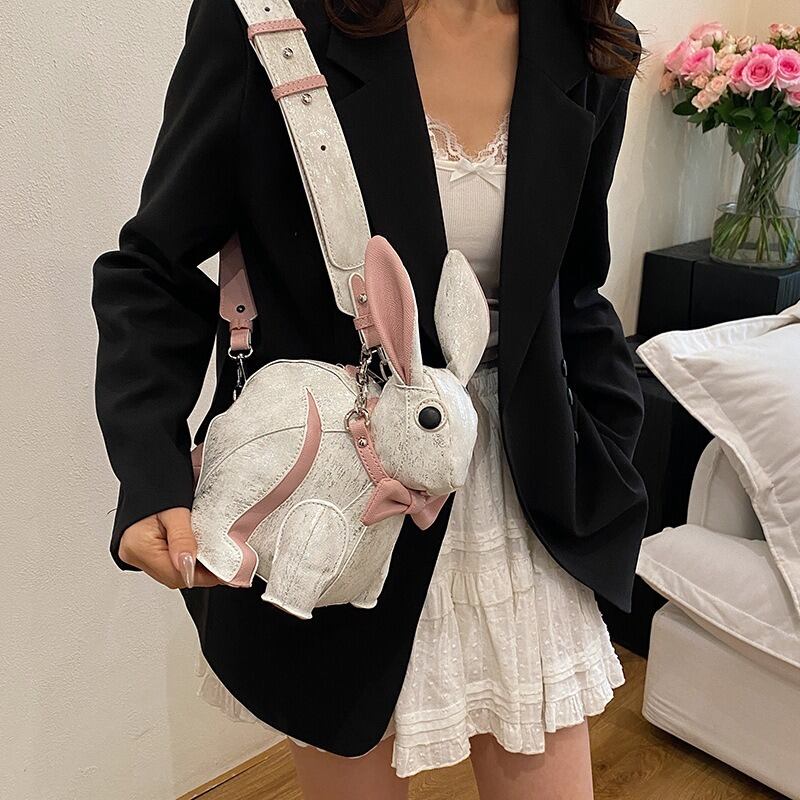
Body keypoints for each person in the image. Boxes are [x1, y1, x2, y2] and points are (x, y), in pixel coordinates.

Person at [91, 0, 648, 797]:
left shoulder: (586, 39)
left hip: (521, 498)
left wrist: (613, 444)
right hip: (343, 493)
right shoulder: (271, 18)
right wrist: (151, 473)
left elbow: (573, 283)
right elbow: (156, 265)